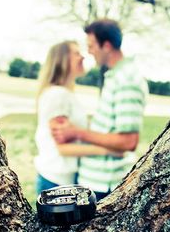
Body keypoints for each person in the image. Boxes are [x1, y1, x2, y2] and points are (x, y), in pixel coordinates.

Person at [51, 19, 148, 201]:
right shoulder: (116, 76)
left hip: (104, 187)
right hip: (94, 182)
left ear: (107, 46)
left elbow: (128, 141)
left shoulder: (126, 80)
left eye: (92, 45)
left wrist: (77, 132)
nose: (89, 51)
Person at [34, 40, 118, 194]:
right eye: (76, 54)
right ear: (62, 60)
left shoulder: (66, 94)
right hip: (54, 180)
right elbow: (63, 148)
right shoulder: (56, 95)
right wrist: (107, 150)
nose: (83, 57)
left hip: (64, 179)